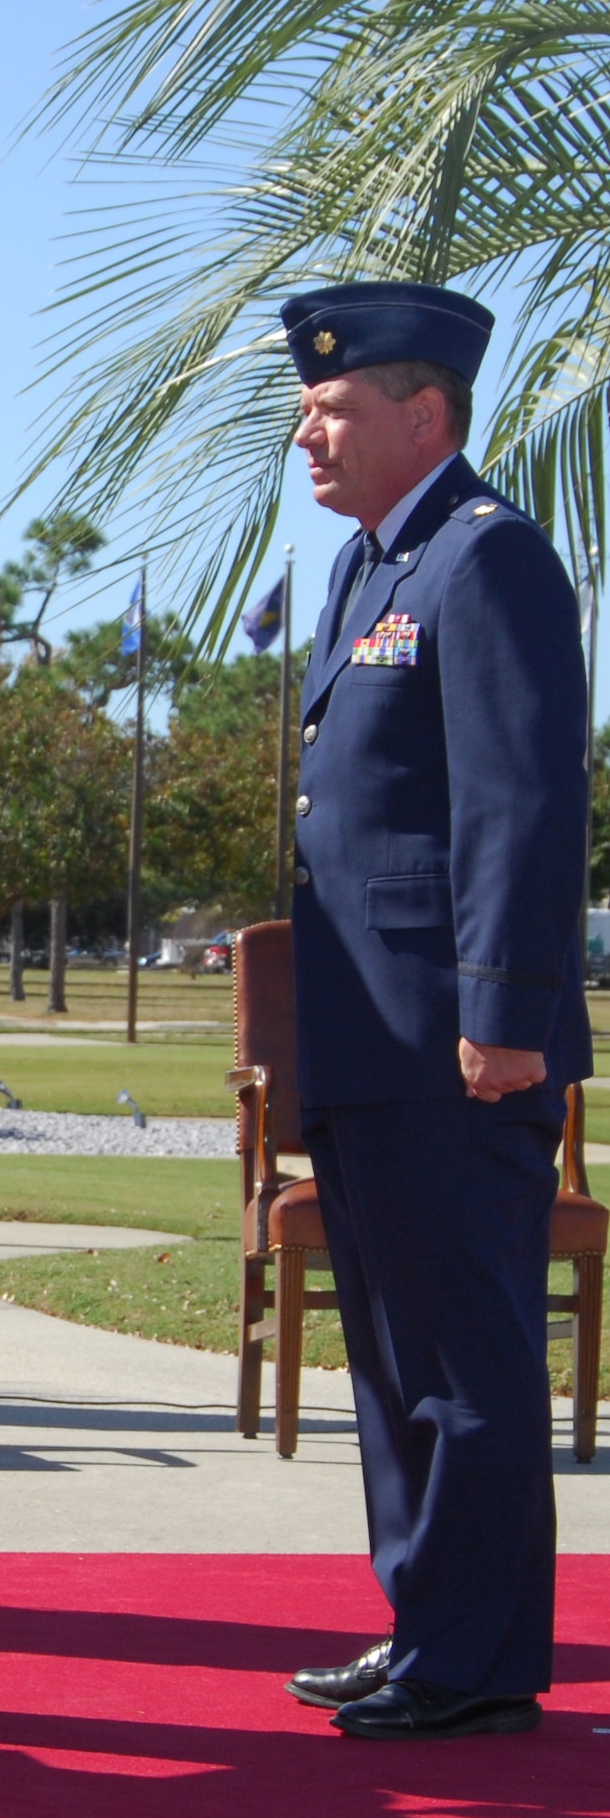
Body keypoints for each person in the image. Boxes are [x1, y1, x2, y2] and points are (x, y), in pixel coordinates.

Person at [274, 280, 590, 1741]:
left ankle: (475, 1658)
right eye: (304, 407)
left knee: (464, 1354)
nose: (306, 432)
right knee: (394, 1355)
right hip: (366, 1033)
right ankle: (424, 1624)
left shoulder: (486, 557)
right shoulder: (368, 567)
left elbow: (522, 799)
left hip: (457, 1041)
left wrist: (506, 1009)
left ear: (425, 413)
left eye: (332, 407)